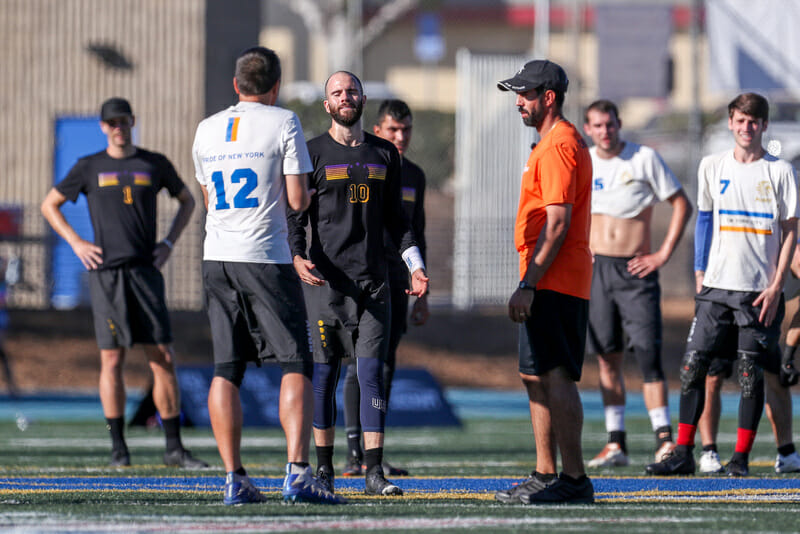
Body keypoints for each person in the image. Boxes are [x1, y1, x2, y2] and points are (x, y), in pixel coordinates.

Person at [192, 47, 345, 505]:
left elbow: (207, 195)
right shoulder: (283, 121)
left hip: (216, 256)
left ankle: (234, 478)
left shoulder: (205, 128)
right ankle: (297, 473)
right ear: (275, 87)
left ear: (237, 86)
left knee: (227, 369)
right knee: (296, 363)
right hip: (265, 256)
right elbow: (298, 200)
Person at [41, 97, 207, 469]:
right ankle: (118, 448)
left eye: (124, 120)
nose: (119, 126)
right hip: (107, 276)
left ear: (133, 121)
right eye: (112, 122)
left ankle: (174, 448)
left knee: (162, 357)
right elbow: (49, 205)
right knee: (112, 358)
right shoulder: (89, 166)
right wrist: (77, 242)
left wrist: (168, 243)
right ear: (103, 126)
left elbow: (187, 202)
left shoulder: (153, 163)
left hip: (146, 273)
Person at [287, 71, 429, 497]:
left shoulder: (385, 153)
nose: (345, 97)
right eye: (336, 92)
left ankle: (373, 472)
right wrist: (296, 256)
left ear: (363, 98)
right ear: (326, 103)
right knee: (326, 376)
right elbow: (295, 220)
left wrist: (416, 267)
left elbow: (399, 224)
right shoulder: (310, 153)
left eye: (351, 91)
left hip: (376, 286)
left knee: (371, 373)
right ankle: (326, 469)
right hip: (325, 286)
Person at [646, 92, 798, 477]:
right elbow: (704, 220)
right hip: (716, 286)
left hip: (758, 291)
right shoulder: (712, 166)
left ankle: (741, 459)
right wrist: (699, 271)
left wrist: (777, 283)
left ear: (763, 126)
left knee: (749, 374)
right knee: (693, 365)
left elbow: (791, 231)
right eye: (740, 121)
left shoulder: (780, 171)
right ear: (730, 123)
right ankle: (683, 452)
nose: (746, 128)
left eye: (754, 122)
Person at [493, 59, 594, 504]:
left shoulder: (558, 145)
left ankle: (574, 479)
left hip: (555, 281)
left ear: (548, 97)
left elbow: (556, 224)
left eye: (525, 94)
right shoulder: (547, 143)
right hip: (545, 279)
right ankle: (545, 472)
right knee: (534, 375)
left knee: (555, 375)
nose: (518, 101)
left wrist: (531, 282)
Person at [582, 100, 692, 468]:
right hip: (597, 271)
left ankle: (664, 440)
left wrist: (661, 255)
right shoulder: (585, 161)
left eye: (610, 124)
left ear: (619, 124)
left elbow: (681, 204)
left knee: (647, 353)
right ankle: (616, 443)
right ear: (588, 128)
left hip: (635, 271)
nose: (604, 131)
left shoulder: (643, 157)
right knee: (607, 355)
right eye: (597, 125)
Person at [341, 99, 429, 478]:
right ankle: (350, 453)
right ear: (378, 130)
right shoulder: (362, 164)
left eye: (406, 129)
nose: (400, 136)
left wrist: (422, 282)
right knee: (354, 365)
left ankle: (375, 450)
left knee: (386, 364)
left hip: (397, 278)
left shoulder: (415, 175)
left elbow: (417, 232)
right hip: (359, 276)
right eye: (393, 130)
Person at [695, 243, 800, 474]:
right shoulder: (786, 250)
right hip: (728, 295)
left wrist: (790, 354)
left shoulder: (788, 257)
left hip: (761, 311)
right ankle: (709, 451)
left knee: (775, 374)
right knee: (713, 374)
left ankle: (787, 452)